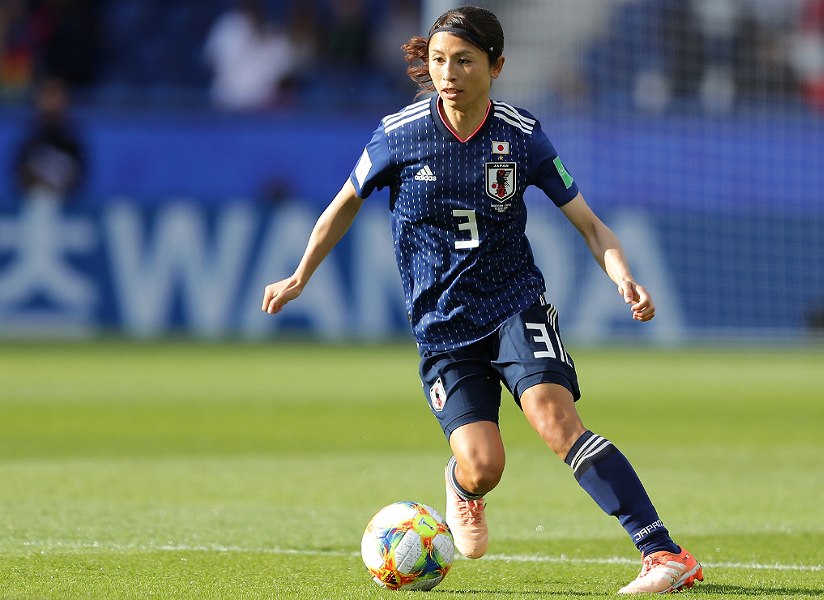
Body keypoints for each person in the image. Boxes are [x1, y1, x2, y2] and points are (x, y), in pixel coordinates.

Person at [262, 6, 703, 595]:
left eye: (465, 61)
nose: (449, 74)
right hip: (442, 327)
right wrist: (300, 275)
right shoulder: (399, 134)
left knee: (555, 419)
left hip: (513, 304)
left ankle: (664, 554)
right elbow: (343, 204)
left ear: (496, 66)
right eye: (439, 60)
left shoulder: (520, 135)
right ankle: (464, 486)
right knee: (484, 465)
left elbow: (590, 225)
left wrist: (623, 277)